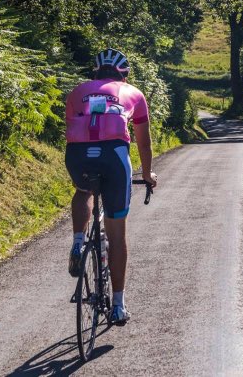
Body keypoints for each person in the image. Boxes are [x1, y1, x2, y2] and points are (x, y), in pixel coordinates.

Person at [64, 48, 157, 325]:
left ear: (95, 73)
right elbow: (144, 142)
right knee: (117, 235)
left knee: (83, 191)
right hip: (114, 156)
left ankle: (78, 243)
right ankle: (118, 305)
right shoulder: (134, 94)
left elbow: (71, 128)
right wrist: (148, 173)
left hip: (78, 154)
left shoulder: (77, 91)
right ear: (124, 75)